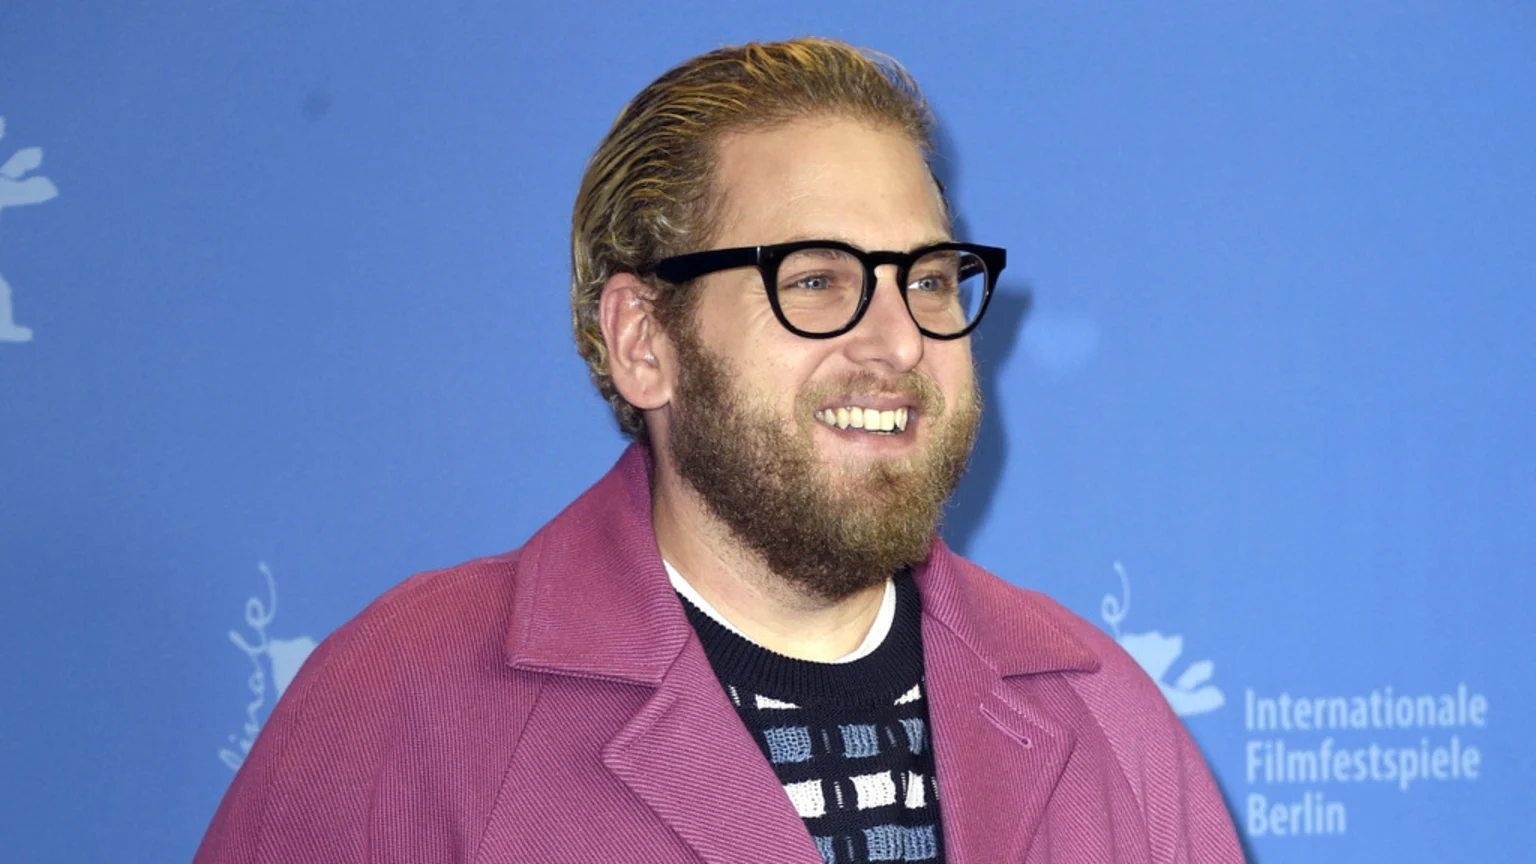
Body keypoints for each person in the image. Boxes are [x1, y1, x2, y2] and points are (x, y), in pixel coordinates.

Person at [195, 38, 1243, 864]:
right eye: (818, 278)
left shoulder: (1102, 712)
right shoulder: (407, 701)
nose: (897, 341)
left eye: (927, 279)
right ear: (644, 342)